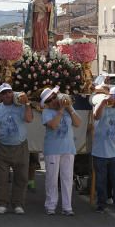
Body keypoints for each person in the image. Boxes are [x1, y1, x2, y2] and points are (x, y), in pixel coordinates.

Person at [0, 83, 34, 215]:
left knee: (21, 177)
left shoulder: (21, 106)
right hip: (2, 147)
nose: (7, 95)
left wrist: (27, 103)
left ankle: (18, 203)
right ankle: (2, 203)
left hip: (20, 146)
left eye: (9, 92)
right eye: (4, 93)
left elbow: (29, 119)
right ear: (0, 96)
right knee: (1, 178)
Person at [41, 87, 81, 215]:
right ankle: (50, 205)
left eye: (54, 97)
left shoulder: (67, 109)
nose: (53, 100)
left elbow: (78, 123)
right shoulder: (46, 112)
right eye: (50, 100)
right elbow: (53, 125)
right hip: (52, 149)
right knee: (52, 178)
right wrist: (61, 110)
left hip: (68, 148)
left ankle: (67, 207)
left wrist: (69, 108)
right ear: (46, 103)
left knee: (67, 178)